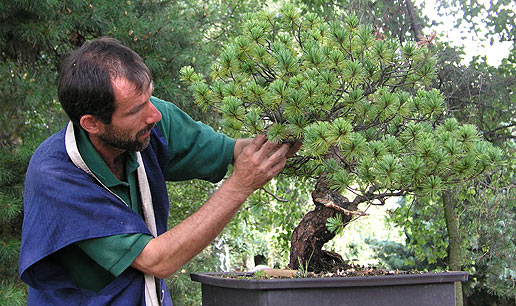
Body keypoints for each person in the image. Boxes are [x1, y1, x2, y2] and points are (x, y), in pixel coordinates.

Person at [18, 37, 300, 306]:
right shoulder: (57, 175)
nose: (155, 115)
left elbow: (234, 151)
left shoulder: (150, 124)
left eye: (149, 97)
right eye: (135, 110)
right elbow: (156, 260)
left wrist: (287, 137)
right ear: (92, 124)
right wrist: (239, 186)